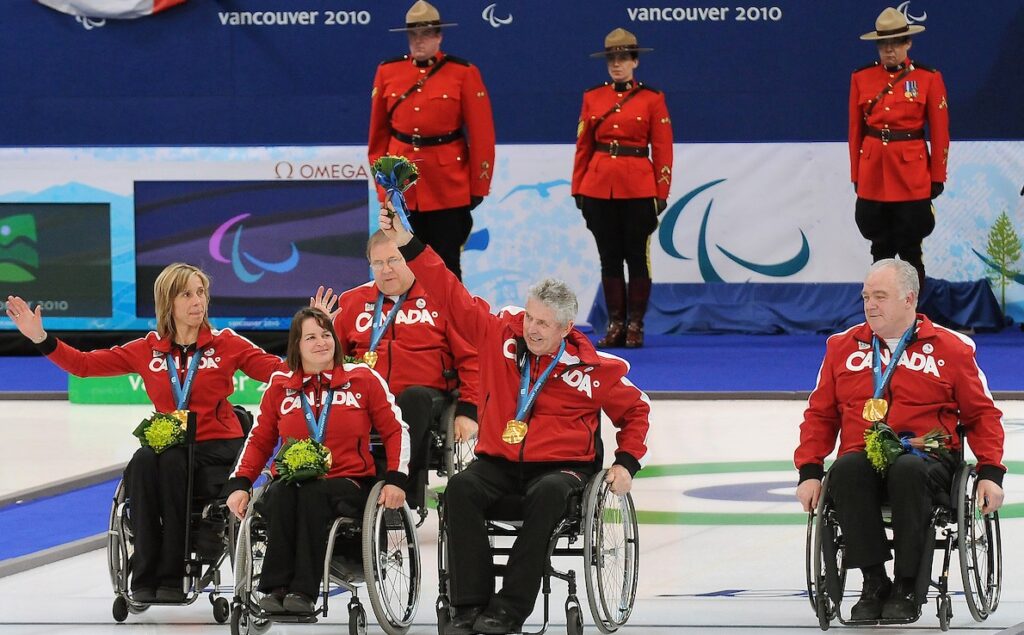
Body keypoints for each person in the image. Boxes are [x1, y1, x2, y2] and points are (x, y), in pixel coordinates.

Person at [378, 206, 650, 635]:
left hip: (563, 470)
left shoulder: (593, 369)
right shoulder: (500, 335)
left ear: (566, 328)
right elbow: (450, 293)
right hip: (500, 463)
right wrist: (408, 244)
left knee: (547, 495)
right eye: (529, 317)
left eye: (543, 323)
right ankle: (469, 606)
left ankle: (509, 609)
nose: (531, 329)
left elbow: (636, 410)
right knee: (460, 489)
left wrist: (626, 462)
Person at [5, 263, 285, 603]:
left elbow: (279, 371)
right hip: (171, 444)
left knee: (170, 462)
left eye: (201, 293)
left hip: (219, 444)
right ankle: (144, 573)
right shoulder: (146, 349)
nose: (198, 302)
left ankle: (172, 574)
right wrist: (41, 338)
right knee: (141, 461)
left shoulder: (227, 343)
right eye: (187, 294)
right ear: (168, 302)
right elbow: (84, 365)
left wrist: (320, 351)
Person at [795, 259, 1004, 621]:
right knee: (845, 469)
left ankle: (908, 584)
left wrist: (990, 472)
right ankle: (874, 580)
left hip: (929, 460)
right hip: (863, 458)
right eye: (865, 297)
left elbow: (982, 414)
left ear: (909, 299)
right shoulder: (842, 347)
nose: (870, 305)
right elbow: (820, 415)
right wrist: (810, 470)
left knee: (907, 469)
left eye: (880, 296)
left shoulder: (952, 348)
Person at [225, 308, 409, 614]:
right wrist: (240, 483)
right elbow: (259, 440)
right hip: (292, 481)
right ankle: (274, 588)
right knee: (281, 492)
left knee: (312, 493)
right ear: (296, 344)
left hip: (348, 482)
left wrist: (396, 478)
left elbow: (395, 430)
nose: (321, 342)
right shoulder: (280, 386)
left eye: (326, 335)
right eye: (311, 336)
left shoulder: (362, 379)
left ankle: (303, 592)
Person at [311, 230, 479, 510]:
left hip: (423, 397)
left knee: (413, 398)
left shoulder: (441, 299)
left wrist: (469, 411)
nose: (386, 269)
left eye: (394, 259)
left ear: (410, 259)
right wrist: (318, 331)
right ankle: (347, 491)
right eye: (377, 263)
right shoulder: (353, 302)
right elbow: (326, 361)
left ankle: (401, 491)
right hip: (366, 397)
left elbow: (471, 358)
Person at [368, 0, 496, 280]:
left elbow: (482, 134)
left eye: (426, 34)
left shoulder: (463, 73)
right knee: (403, 262)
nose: (419, 40)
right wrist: (384, 188)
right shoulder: (388, 71)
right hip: (402, 187)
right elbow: (378, 138)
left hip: (447, 185)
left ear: (439, 35)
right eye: (413, 34)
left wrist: (478, 186)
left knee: (447, 262)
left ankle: (451, 324)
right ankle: (412, 324)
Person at [572, 27, 673, 348]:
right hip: (599, 186)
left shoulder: (652, 99)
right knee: (609, 257)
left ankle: (636, 325)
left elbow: (663, 148)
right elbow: (583, 146)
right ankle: (616, 323)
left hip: (638, 187)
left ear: (635, 62)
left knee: (636, 257)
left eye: (623, 58)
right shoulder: (593, 97)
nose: (617, 65)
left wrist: (661, 192)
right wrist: (578, 188)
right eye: (612, 59)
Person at [849, 7, 950, 293]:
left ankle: (912, 316)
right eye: (883, 44)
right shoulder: (861, 77)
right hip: (873, 173)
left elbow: (940, 133)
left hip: (911, 174)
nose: (889, 50)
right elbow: (855, 131)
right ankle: (880, 314)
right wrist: (857, 173)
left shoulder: (929, 78)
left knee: (910, 248)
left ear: (908, 43)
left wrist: (937, 175)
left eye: (895, 43)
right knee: (879, 247)